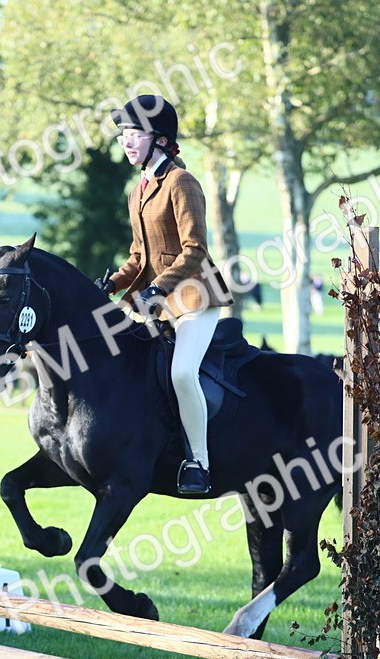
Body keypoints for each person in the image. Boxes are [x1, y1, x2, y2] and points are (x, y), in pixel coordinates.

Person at [96, 94, 234, 496]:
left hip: (193, 298)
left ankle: (199, 464)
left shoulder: (181, 182)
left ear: (159, 139)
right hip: (155, 303)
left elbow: (195, 249)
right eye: (123, 134)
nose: (126, 140)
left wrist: (159, 287)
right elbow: (139, 256)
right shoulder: (137, 191)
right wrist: (112, 283)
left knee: (181, 373)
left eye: (135, 133)